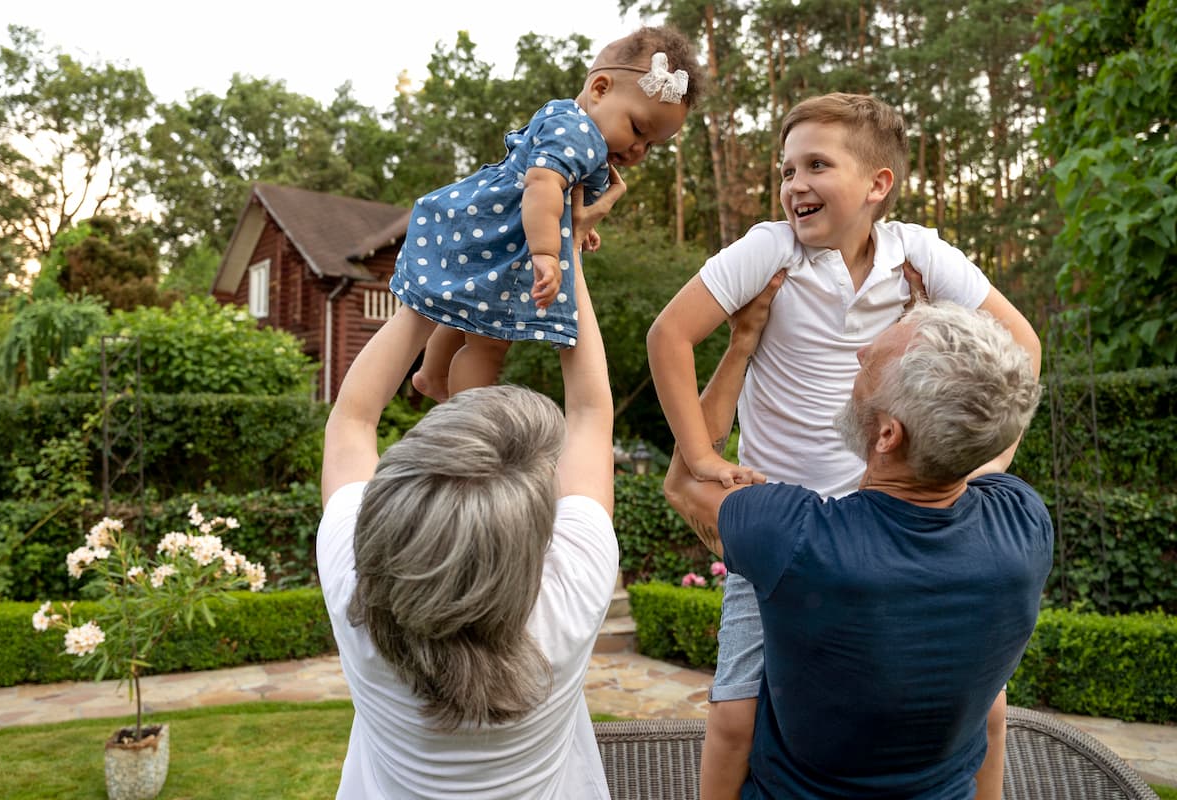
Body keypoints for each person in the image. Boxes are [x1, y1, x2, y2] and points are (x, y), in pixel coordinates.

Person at [646, 92, 1042, 799]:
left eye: (816, 165)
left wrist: (979, 465)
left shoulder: (918, 255)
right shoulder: (770, 250)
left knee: (986, 703)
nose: (793, 184)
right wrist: (704, 457)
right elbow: (668, 336)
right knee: (736, 711)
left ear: (877, 185)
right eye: (786, 169)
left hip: (888, 516)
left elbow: (1023, 347)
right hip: (782, 518)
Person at [664, 294, 1053, 798]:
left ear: (888, 434)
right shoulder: (1023, 526)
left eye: (875, 358)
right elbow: (987, 455)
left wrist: (741, 346)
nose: (859, 351)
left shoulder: (797, 538)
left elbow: (683, 484)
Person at [317, 174, 624, 798]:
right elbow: (591, 413)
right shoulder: (566, 605)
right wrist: (562, 249)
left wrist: (424, 291)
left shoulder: (358, 595)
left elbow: (351, 418)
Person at [394, 25, 703, 401]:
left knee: (464, 310)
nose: (639, 150)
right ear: (600, 89)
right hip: (503, 234)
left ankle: (432, 376)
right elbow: (541, 185)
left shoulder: (570, 124)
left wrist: (574, 230)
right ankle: (466, 419)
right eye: (638, 129)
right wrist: (546, 251)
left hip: (484, 227)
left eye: (651, 146)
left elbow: (557, 196)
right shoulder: (579, 135)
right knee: (490, 343)